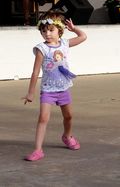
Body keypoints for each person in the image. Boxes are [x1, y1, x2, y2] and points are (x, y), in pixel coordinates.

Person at [22, 11, 87, 161]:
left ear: (60, 30)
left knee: (69, 116)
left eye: (51, 30)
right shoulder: (41, 49)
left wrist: (74, 28)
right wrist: (31, 93)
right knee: (43, 118)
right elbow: (35, 71)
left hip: (63, 88)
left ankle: (67, 136)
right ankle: (38, 150)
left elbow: (83, 37)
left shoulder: (65, 43)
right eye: (44, 31)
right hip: (48, 90)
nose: (47, 34)